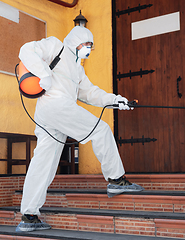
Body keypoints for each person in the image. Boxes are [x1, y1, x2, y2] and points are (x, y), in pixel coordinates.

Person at [16, 26, 144, 232]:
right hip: (56, 106)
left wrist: (118, 101)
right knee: (101, 130)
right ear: (76, 41)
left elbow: (91, 94)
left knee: (44, 162)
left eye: (90, 47)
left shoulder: (78, 70)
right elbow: (26, 50)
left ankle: (29, 216)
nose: (88, 50)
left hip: (51, 114)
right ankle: (116, 179)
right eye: (86, 45)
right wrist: (43, 75)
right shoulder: (56, 46)